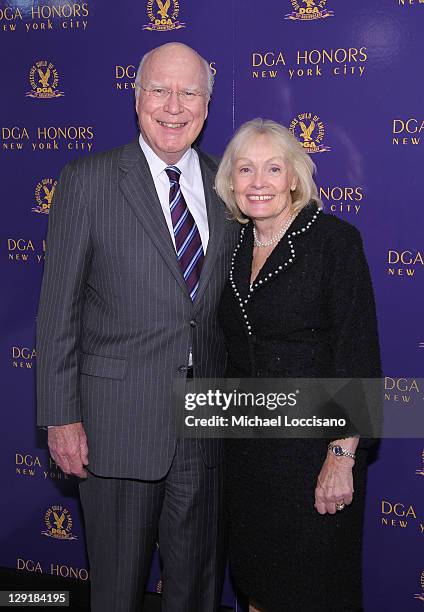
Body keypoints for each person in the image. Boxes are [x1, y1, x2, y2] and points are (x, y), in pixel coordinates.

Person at [36, 42, 238, 612]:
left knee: (196, 592)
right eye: (159, 90)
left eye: (189, 92)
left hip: (206, 432)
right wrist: (60, 416)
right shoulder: (88, 180)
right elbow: (58, 311)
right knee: (117, 592)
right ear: (137, 97)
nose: (173, 106)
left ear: (206, 104)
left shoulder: (231, 186)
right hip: (114, 428)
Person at [215, 118, 381, 612]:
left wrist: (342, 456)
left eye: (272, 168)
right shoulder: (232, 245)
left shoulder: (333, 241)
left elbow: (358, 352)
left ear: (294, 177)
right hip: (248, 456)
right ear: (230, 180)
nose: (258, 182)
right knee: (257, 584)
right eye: (245, 169)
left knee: (313, 589)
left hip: (314, 454)